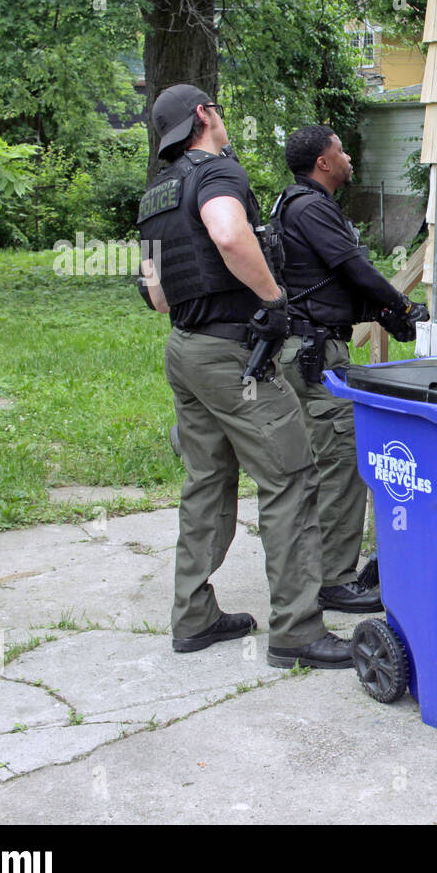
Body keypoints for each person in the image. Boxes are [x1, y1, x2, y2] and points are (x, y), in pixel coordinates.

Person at [136, 84, 352, 669]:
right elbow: (229, 234)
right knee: (291, 475)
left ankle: (194, 616)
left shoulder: (156, 195)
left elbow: (155, 295)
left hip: (184, 349)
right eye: (219, 110)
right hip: (236, 358)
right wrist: (273, 295)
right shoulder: (216, 174)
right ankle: (297, 630)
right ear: (204, 116)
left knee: (206, 481)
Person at [271, 124, 427, 614]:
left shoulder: (289, 205)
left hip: (301, 347)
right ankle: (334, 581)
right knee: (342, 460)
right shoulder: (312, 207)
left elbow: (328, 286)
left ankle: (316, 567)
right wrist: (401, 307)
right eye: (340, 150)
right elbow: (355, 270)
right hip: (315, 353)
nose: (348, 157)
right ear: (323, 162)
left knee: (318, 464)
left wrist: (380, 313)